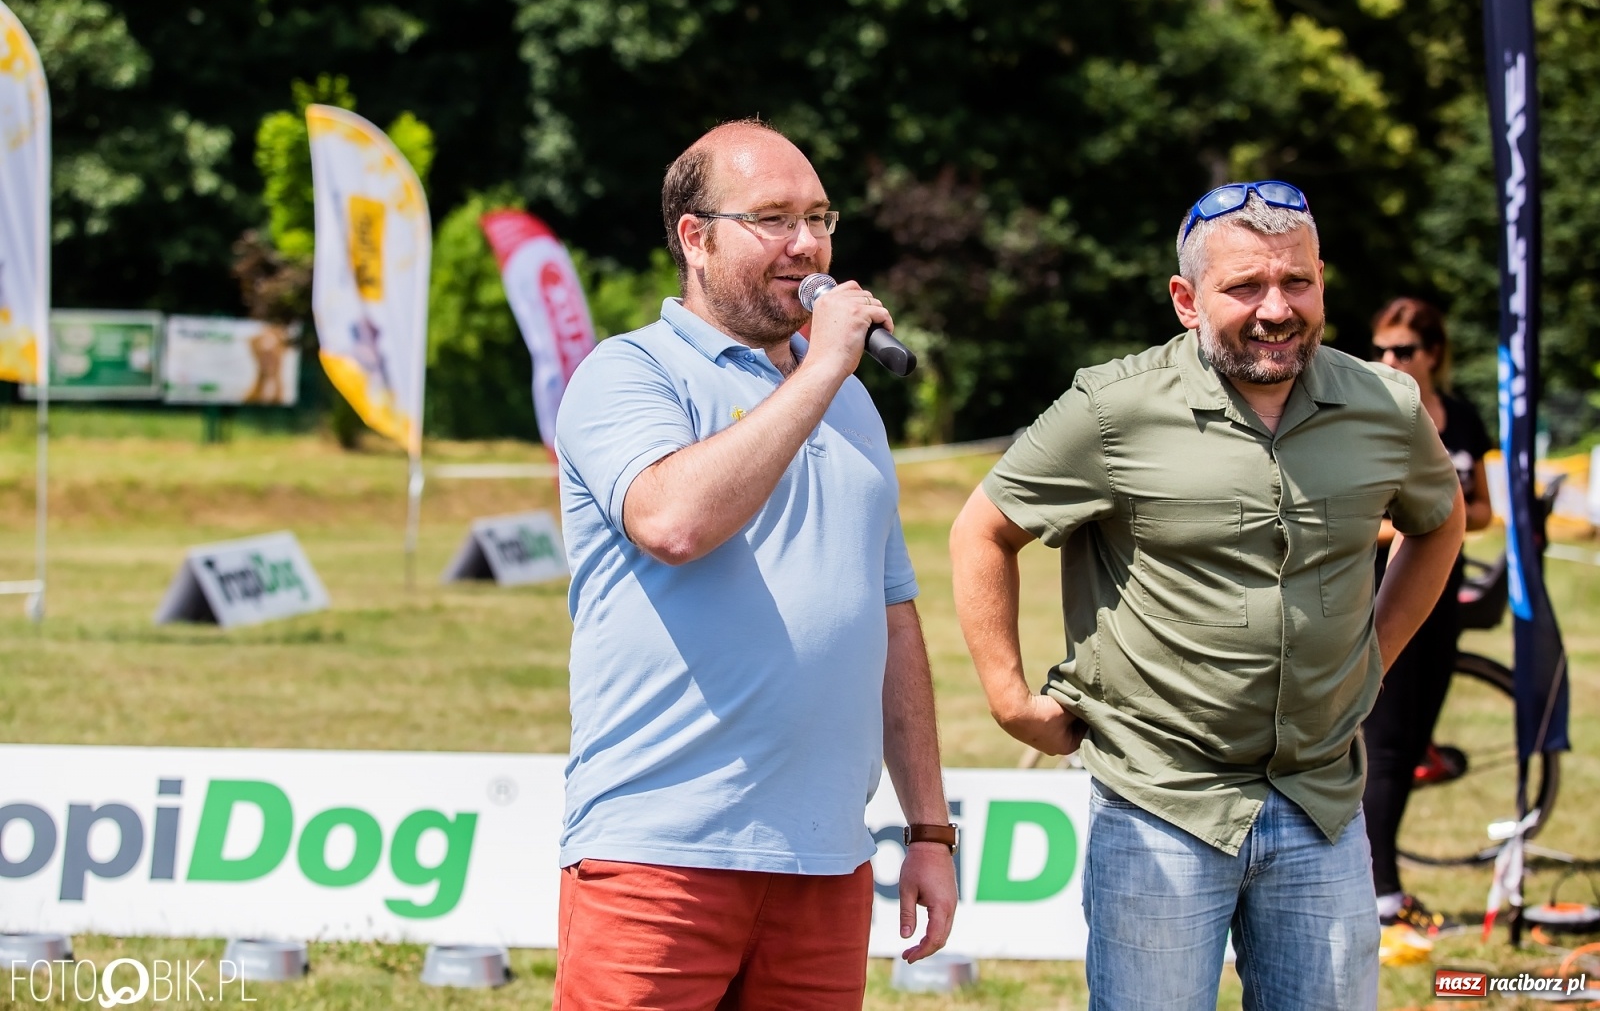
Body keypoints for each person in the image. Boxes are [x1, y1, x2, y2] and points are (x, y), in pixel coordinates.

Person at [949, 181, 1467, 1011]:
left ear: (1323, 282)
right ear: (1187, 300)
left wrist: (1373, 656)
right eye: (1245, 287)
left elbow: (1439, 524)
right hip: (1162, 804)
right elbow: (983, 529)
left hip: (1320, 802)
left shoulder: (1385, 406)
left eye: (1297, 282)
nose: (1277, 308)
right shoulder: (1113, 407)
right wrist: (1012, 702)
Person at [552, 119, 957, 1010]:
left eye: (819, 217)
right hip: (661, 853)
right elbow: (675, 521)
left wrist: (929, 827)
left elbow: (890, 617)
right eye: (773, 218)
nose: (807, 243)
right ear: (694, 239)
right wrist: (820, 375)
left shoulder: (848, 401)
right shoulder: (628, 374)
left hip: (826, 859)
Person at [1362, 298, 1494, 932]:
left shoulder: (1461, 416)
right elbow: (1356, 517)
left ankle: (1381, 882)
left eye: (1404, 350)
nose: (1389, 360)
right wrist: (1416, 527)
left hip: (1445, 591)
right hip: (1380, 590)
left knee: (1415, 746)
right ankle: (1381, 892)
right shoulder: (1372, 413)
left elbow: (1484, 511)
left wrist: (1443, 522)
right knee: (1384, 747)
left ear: (1434, 354)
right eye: (1382, 349)